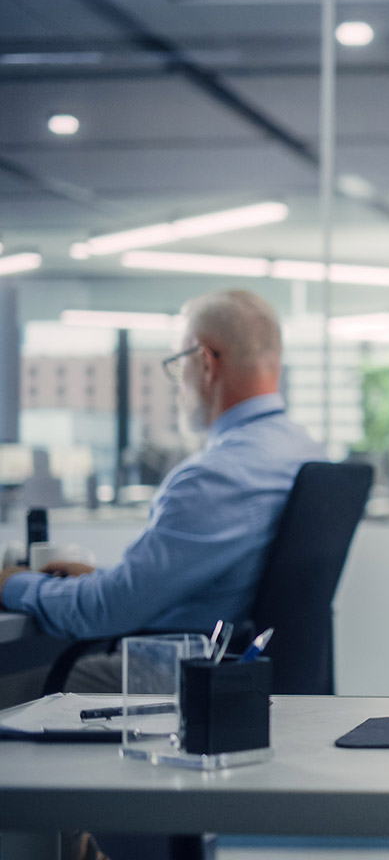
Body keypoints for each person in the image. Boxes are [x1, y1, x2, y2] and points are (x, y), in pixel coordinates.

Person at [0, 289, 325, 692]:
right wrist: (108, 579)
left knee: (12, 685)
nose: (178, 383)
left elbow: (104, 612)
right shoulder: (303, 451)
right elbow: (209, 580)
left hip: (182, 672)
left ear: (204, 363)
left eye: (177, 364)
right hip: (236, 667)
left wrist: (12, 584)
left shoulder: (216, 476)